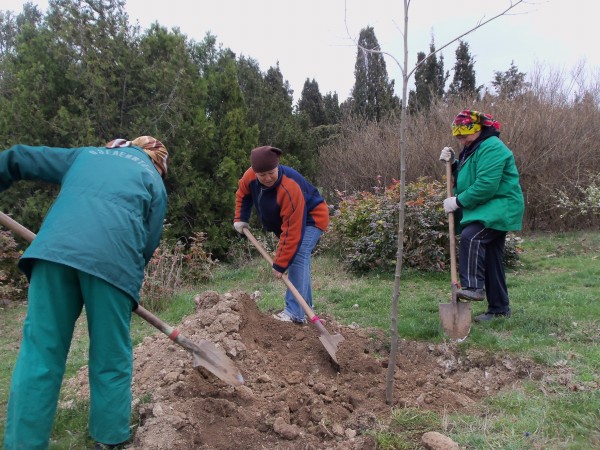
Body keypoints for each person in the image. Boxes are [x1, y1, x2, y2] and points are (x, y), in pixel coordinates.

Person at [0, 136, 168, 449]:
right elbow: (148, 241)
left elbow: (21, 156)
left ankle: (23, 443)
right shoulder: (154, 180)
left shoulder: (86, 155)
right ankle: (110, 438)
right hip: (114, 263)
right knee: (110, 354)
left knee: (40, 353)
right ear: (159, 164)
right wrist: (126, 282)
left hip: (53, 253)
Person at [439, 110, 524, 322]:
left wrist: (458, 201)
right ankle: (499, 310)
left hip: (500, 207)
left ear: (478, 130)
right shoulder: (474, 148)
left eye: (464, 135)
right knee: (492, 260)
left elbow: (486, 185)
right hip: (487, 208)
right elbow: (469, 176)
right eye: (458, 137)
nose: (461, 140)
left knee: (472, 236)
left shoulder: (492, 147)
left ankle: (473, 287)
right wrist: (454, 164)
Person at [234, 145, 329, 324]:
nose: (267, 178)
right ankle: (306, 309)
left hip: (312, 218)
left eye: (271, 172)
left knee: (298, 256)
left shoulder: (289, 187)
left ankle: (294, 313)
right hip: (290, 223)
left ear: (277, 166)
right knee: (300, 259)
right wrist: (241, 218)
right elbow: (243, 194)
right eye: (262, 175)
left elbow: (293, 232)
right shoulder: (250, 176)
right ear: (255, 172)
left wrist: (280, 263)